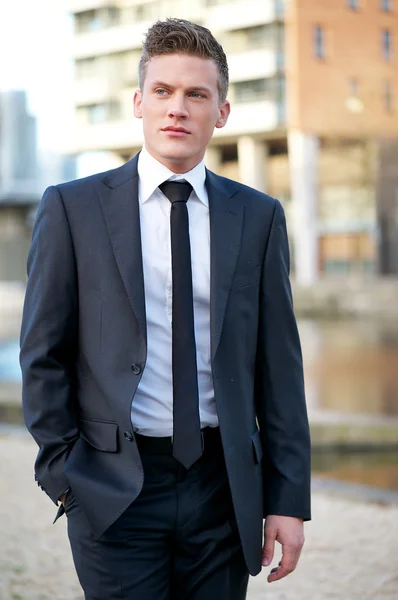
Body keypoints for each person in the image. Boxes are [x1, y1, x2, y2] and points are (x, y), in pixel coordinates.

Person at [20, 18, 311, 600]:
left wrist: (286, 500)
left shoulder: (258, 218)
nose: (177, 107)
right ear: (139, 102)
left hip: (223, 489)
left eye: (196, 94)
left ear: (221, 112)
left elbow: (280, 369)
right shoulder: (72, 209)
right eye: (163, 91)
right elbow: (42, 354)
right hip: (113, 486)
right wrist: (65, 475)